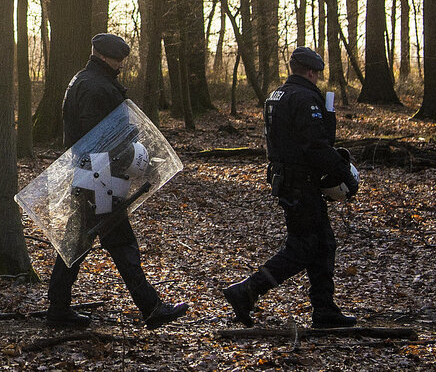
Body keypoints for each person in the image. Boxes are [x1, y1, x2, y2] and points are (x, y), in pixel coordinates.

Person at [47, 33, 189, 330]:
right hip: (100, 175)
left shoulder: (85, 81)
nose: (120, 64)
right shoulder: (95, 86)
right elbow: (100, 139)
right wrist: (135, 161)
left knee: (79, 244)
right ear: (104, 56)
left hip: (94, 173)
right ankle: (151, 308)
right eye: (118, 59)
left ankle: (58, 307)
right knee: (119, 245)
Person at [223, 47, 359, 329]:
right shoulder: (306, 98)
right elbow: (316, 145)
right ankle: (247, 290)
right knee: (303, 247)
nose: (318, 78)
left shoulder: (277, 95)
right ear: (311, 71)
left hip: (287, 180)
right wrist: (343, 171)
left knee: (323, 244)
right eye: (317, 74)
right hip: (301, 183)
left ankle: (325, 310)